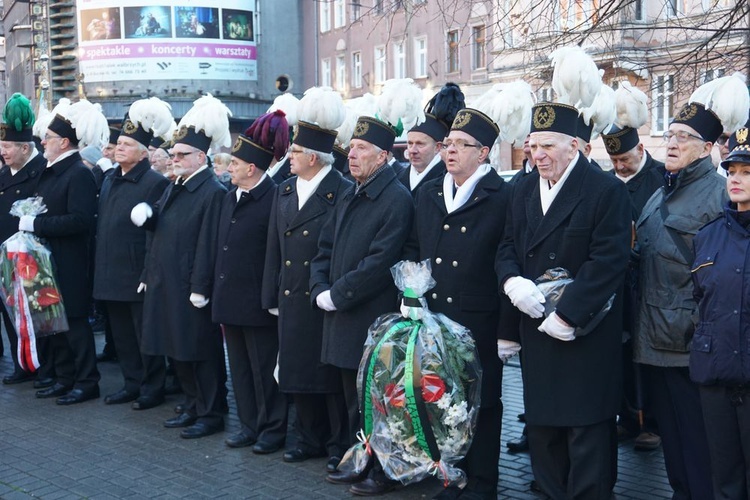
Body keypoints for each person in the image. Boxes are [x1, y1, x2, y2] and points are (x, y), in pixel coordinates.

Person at [496, 102, 632, 500]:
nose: (538, 155)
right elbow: (506, 247)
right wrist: (512, 284)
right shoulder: (520, 189)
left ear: (574, 145)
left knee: (587, 437)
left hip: (584, 336)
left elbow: (609, 261)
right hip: (537, 330)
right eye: (533, 145)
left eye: (548, 146)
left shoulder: (605, 190)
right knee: (544, 433)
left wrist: (569, 314)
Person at [405, 108, 511, 499]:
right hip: (435, 317)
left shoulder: (502, 196)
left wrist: (507, 330)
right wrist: (410, 292)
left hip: (479, 319)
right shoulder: (432, 191)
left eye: (460, 145)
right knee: (442, 399)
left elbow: (508, 257)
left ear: (482, 153)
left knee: (481, 404)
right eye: (447, 144)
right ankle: (451, 475)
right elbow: (415, 247)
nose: (449, 152)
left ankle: (483, 483)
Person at [633, 98, 733, 499]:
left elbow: (724, 276)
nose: (671, 143)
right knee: (674, 449)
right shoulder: (660, 194)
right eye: (670, 134)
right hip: (656, 341)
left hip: (692, 347)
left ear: (707, 147)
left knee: (701, 449)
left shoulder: (719, 196)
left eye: (684, 138)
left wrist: (698, 327)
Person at [310, 116, 414, 494]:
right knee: (349, 397)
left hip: (369, 316)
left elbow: (380, 261)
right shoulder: (353, 190)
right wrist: (319, 284)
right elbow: (323, 247)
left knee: (376, 399)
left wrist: (338, 294)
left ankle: (384, 470)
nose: (351, 155)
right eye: (351, 147)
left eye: (361, 149)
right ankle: (358, 460)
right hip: (341, 313)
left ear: (384, 155)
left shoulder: (395, 199)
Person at [132, 95, 230, 439]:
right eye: (172, 155)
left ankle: (211, 411)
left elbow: (210, 244)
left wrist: (201, 287)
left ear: (200, 157)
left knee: (200, 351)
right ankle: (191, 405)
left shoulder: (212, 191)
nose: (173, 160)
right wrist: (147, 218)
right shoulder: (177, 184)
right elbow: (158, 229)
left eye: (180, 155)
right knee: (177, 349)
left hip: (191, 285)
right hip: (166, 280)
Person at [262, 120, 352, 472]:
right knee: (296, 370)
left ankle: (337, 442)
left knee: (327, 378)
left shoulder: (340, 190)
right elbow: (274, 246)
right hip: (289, 294)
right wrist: (271, 292)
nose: (290, 156)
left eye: (296, 151)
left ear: (314, 158)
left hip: (320, 294)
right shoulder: (284, 189)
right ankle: (307, 437)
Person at [211, 112, 288, 452]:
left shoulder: (274, 198)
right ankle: (248, 424)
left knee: (262, 369)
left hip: (258, 300)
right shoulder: (231, 196)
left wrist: (269, 296)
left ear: (252, 168)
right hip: (230, 297)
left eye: (235, 163)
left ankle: (273, 428)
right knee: (239, 370)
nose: (229, 168)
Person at [27, 101, 108, 405]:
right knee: (54, 323)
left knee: (74, 324)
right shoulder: (54, 170)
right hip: (48, 260)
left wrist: (36, 223)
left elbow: (81, 220)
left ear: (63, 142)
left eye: (47, 137)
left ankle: (87, 382)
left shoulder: (77, 173)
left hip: (70, 261)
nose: (43, 141)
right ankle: (64, 378)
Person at [93, 99, 171, 411]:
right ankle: (131, 384)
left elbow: (158, 233)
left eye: (127, 144)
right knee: (123, 336)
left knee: (145, 336)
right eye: (119, 144)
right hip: (110, 271)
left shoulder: (155, 182)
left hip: (137, 272)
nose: (119, 148)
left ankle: (152, 388)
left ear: (143, 152)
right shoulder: (111, 178)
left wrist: (147, 273)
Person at [601, 94, 665, 452]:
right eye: (614, 161)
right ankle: (627, 416)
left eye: (624, 159)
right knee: (621, 354)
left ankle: (651, 421)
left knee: (647, 355)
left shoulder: (660, 178)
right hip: (618, 282)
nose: (620, 167)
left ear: (640, 149)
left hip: (649, 280)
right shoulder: (607, 180)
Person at [691, 125, 750, 500]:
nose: (736, 179)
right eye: (732, 171)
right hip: (715, 377)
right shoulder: (708, 235)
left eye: (747, 172)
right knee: (724, 477)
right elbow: (698, 300)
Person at [0, 93, 45, 385]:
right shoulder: (4, 172)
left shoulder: (39, 172)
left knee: (32, 313)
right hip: (4, 253)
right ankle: (20, 364)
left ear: (24, 147)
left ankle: (37, 365)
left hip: (27, 255)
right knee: (9, 311)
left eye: (6, 146)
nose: (2, 151)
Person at [397, 83, 465, 195]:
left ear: (437, 147)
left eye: (420, 144)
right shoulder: (398, 179)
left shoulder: (450, 179)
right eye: (410, 144)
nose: (413, 150)